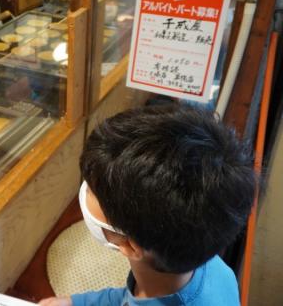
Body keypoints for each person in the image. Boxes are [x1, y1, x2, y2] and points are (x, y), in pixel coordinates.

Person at [40, 105, 256, 306]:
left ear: (131, 246)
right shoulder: (209, 264)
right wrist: (76, 302)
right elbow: (125, 298)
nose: (85, 188)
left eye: (92, 191)